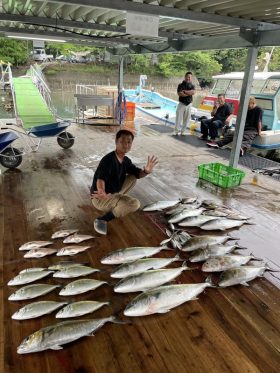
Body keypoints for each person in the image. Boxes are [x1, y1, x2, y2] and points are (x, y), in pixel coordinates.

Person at [90, 129, 158, 235]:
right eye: (122, 141)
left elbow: (138, 174)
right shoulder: (108, 160)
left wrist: (146, 171)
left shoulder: (126, 161)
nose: (126, 145)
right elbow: (100, 179)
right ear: (116, 142)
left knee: (133, 177)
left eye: (129, 142)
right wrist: (101, 190)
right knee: (135, 204)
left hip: (112, 192)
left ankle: (117, 200)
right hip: (101, 198)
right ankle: (103, 219)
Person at [173, 72, 195, 136]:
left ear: (191, 78)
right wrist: (189, 93)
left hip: (189, 104)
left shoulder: (192, 85)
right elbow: (180, 94)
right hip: (181, 104)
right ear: (185, 77)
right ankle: (176, 131)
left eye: (190, 77)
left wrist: (185, 92)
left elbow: (193, 92)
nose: (188, 78)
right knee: (178, 118)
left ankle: (183, 131)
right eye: (187, 77)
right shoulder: (180, 85)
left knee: (186, 119)